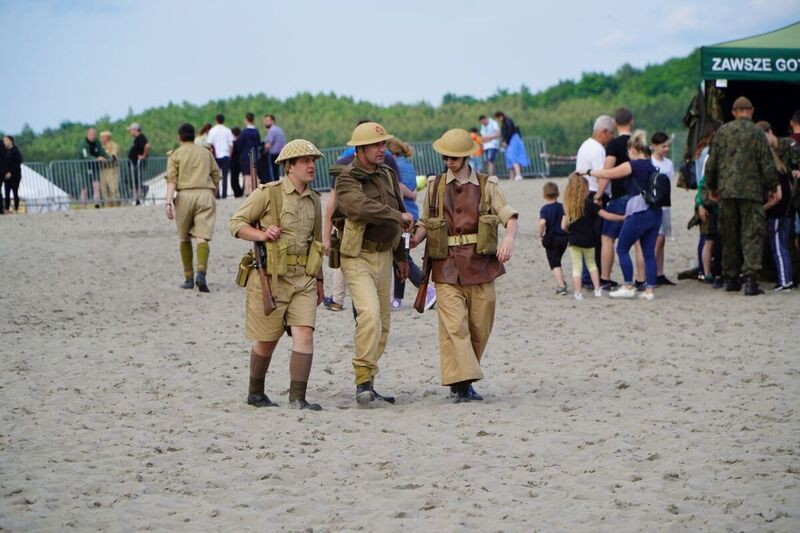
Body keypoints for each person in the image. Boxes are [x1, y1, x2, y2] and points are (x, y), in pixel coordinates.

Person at [411, 128, 518, 402]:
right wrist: (413, 239)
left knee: (479, 328)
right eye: (446, 157)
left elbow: (509, 216)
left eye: (454, 158)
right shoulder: (434, 186)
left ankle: (464, 378)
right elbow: (425, 221)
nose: (449, 162)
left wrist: (508, 239)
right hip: (445, 267)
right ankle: (462, 385)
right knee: (454, 327)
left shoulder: (487, 185)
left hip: (481, 266)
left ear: (466, 157)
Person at [229, 139, 326, 410]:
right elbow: (235, 223)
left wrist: (319, 281)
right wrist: (261, 234)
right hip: (271, 279)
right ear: (289, 167)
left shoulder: (314, 200)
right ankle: (256, 393)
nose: (311, 166)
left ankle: (298, 398)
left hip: (303, 280)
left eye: (313, 161)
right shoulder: (268, 194)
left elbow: (316, 244)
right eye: (305, 161)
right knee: (267, 341)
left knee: (305, 334)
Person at [331, 121, 413, 406]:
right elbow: (358, 207)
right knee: (369, 316)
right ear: (360, 149)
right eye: (376, 145)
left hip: (385, 255)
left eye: (383, 144)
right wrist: (395, 215)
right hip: (357, 256)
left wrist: (402, 256)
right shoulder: (346, 178)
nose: (382, 149)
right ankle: (362, 382)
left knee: (384, 325)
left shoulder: (389, 173)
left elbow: (402, 215)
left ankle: (369, 380)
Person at [705, 96, 778, 295]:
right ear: (751, 110)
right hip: (751, 192)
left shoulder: (722, 131)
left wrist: (711, 186)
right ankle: (751, 281)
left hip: (727, 191)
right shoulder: (757, 132)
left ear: (734, 112)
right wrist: (773, 186)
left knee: (729, 234)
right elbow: (766, 162)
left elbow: (712, 162)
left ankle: (731, 278)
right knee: (752, 234)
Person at [589, 130, 662, 301]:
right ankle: (649, 290)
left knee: (622, 248)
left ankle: (628, 285)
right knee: (648, 252)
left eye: (629, 152)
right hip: (655, 212)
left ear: (634, 150)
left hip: (638, 212)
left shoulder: (633, 165)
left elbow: (608, 173)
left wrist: (588, 172)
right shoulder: (652, 165)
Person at [165, 123, 220, 293]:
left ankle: (188, 278)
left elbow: (171, 179)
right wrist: (212, 192)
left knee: (184, 237)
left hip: (185, 195)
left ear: (179, 137)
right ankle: (201, 273)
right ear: (194, 135)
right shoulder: (206, 152)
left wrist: (168, 202)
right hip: (205, 194)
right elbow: (216, 175)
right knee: (202, 236)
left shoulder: (176, 155)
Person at [561, 172, 623, 300]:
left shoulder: (568, 206)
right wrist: (623, 217)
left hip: (574, 242)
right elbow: (606, 215)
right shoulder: (590, 204)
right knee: (592, 265)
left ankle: (578, 293)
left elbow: (563, 226)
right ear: (585, 189)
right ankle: (597, 289)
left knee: (577, 267)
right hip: (589, 240)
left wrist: (570, 232)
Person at [386, 137, 431, 309]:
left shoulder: (397, 166)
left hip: (403, 217)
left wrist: (409, 194)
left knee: (403, 258)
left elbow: (398, 186)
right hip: (411, 214)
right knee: (400, 256)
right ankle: (398, 299)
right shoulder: (408, 166)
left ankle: (427, 290)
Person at [577, 115, 615, 286]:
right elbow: (603, 175)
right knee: (597, 238)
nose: (612, 137)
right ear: (604, 131)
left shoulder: (584, 146)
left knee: (587, 236)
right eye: (611, 133)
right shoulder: (599, 150)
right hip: (595, 194)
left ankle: (587, 276)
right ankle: (593, 276)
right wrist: (600, 195)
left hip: (583, 192)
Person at [599, 107, 633, 289]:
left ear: (614, 123)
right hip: (638, 197)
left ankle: (605, 278)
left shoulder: (614, 144)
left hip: (619, 196)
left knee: (607, 238)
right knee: (640, 243)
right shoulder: (639, 142)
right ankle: (642, 280)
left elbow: (607, 172)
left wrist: (598, 194)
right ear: (632, 121)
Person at [758, 121, 794, 291]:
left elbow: (777, 196)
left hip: (777, 214)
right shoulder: (784, 170)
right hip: (786, 213)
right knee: (784, 246)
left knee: (778, 248)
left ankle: (785, 280)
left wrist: (763, 208)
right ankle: (786, 279)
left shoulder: (773, 172)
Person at [650, 131, 676, 286]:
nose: (666, 149)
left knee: (663, 239)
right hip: (654, 205)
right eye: (663, 146)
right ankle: (650, 271)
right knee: (657, 239)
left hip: (665, 206)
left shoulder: (669, 164)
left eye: (667, 146)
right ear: (654, 146)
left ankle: (659, 273)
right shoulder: (650, 162)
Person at [537, 181, 568, 295]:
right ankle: (562, 281)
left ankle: (561, 286)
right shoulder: (562, 207)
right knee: (558, 260)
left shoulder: (545, 209)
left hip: (551, 239)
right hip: (564, 238)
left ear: (544, 195)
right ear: (558, 194)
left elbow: (542, 223)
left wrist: (539, 235)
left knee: (554, 263)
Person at [77, 127, 109, 208]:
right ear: (87, 134)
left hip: (94, 167)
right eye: (91, 134)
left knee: (97, 186)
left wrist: (111, 158)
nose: (93, 136)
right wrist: (97, 159)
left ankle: (97, 205)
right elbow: (86, 156)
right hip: (83, 168)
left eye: (94, 134)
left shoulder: (97, 142)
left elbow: (103, 153)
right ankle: (83, 207)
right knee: (84, 189)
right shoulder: (83, 144)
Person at [494, 111, 529, 180]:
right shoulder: (507, 121)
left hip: (512, 141)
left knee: (513, 157)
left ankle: (518, 174)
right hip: (512, 140)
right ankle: (515, 175)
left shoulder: (507, 122)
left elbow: (509, 132)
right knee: (512, 158)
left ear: (500, 116)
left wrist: (506, 141)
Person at [208, 114, 234, 199]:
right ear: (224, 120)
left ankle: (217, 194)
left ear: (216, 120)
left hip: (216, 156)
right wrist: (230, 155)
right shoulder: (228, 130)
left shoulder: (212, 131)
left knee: (216, 176)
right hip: (226, 155)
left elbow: (209, 144)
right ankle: (224, 194)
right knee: (225, 176)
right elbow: (230, 145)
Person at [237, 113, 261, 195]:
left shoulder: (244, 132)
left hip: (245, 155)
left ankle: (247, 191)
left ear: (246, 120)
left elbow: (239, 145)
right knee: (255, 173)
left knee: (246, 174)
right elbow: (258, 143)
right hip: (255, 155)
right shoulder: (256, 132)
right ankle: (257, 190)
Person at [127, 123, 150, 205]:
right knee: (133, 180)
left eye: (130, 130)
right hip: (133, 163)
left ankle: (139, 196)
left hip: (137, 163)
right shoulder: (136, 138)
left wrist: (143, 155)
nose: (130, 132)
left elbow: (147, 146)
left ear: (135, 130)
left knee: (137, 179)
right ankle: (137, 198)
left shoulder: (141, 137)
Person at [99, 131, 121, 207]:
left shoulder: (114, 145)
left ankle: (116, 206)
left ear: (107, 137)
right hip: (103, 169)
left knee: (113, 189)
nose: (101, 139)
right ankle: (107, 206)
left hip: (112, 169)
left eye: (102, 137)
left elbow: (113, 156)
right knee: (104, 190)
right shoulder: (101, 147)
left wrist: (104, 158)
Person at [263, 114, 287, 182]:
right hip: (282, 153)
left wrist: (263, 152)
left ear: (273, 121)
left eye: (268, 121)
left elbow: (267, 145)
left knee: (274, 174)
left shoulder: (272, 130)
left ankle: (276, 189)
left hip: (274, 154)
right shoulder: (279, 129)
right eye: (265, 121)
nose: (265, 123)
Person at [3, 136, 23, 212]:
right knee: (6, 192)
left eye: (6, 140)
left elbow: (18, 162)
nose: (4, 142)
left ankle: (16, 208)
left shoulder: (15, 151)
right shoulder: (5, 151)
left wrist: (11, 172)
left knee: (15, 192)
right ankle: (7, 208)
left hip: (15, 175)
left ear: (11, 141)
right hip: (6, 175)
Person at [229, 127, 244, 198]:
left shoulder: (233, 143)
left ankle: (237, 193)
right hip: (240, 161)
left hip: (234, 163)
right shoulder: (241, 142)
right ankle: (241, 191)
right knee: (243, 177)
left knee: (234, 180)